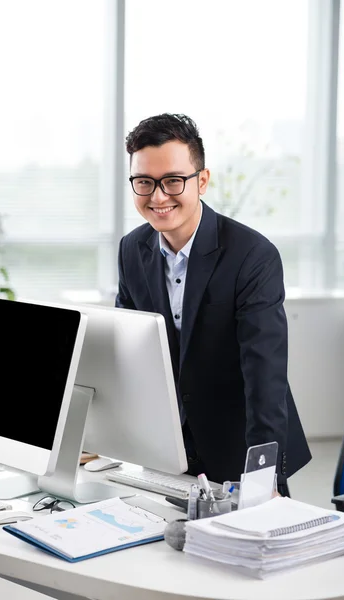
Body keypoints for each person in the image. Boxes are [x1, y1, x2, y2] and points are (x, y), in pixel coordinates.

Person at [116, 113, 311, 495]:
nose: (157, 196)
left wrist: (262, 474)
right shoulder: (131, 250)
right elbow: (127, 352)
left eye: (173, 180)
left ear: (202, 181)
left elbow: (265, 377)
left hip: (240, 449)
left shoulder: (252, 256)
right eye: (144, 182)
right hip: (170, 453)